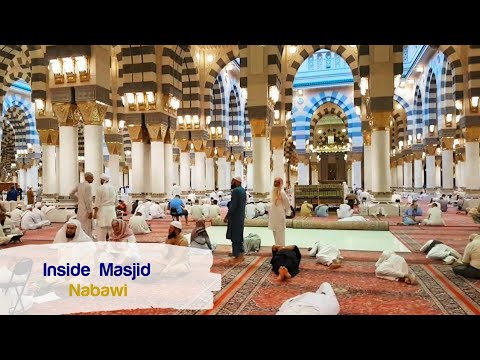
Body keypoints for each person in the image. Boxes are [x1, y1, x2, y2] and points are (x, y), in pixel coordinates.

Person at [225, 176, 247, 262]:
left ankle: (236, 255)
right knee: (238, 234)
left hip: (235, 217)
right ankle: (240, 252)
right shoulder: (242, 190)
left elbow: (233, 206)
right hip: (240, 216)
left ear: (237, 182)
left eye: (232, 181)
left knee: (235, 236)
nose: (231, 183)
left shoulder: (236, 191)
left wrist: (227, 216)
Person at [69, 172, 94, 237]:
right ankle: (86, 241)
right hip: (86, 210)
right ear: (87, 178)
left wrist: (79, 199)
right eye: (92, 178)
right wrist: (90, 211)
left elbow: (71, 194)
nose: (93, 179)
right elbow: (88, 200)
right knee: (87, 228)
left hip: (80, 209)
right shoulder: (88, 186)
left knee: (80, 226)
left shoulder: (79, 185)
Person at [93, 174, 117, 242]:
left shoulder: (100, 188)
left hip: (102, 211)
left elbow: (97, 202)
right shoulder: (114, 188)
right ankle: (113, 248)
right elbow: (116, 202)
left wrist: (95, 213)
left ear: (103, 180)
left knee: (101, 232)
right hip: (112, 211)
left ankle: (101, 249)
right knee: (112, 231)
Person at [268, 177, 291, 246]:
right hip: (273, 216)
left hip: (279, 215)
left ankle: (281, 248)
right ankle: (277, 247)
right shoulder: (272, 192)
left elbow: (287, 203)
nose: (275, 184)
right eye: (275, 182)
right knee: (274, 231)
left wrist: (287, 212)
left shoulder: (282, 193)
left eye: (277, 182)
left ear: (281, 183)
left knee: (280, 233)